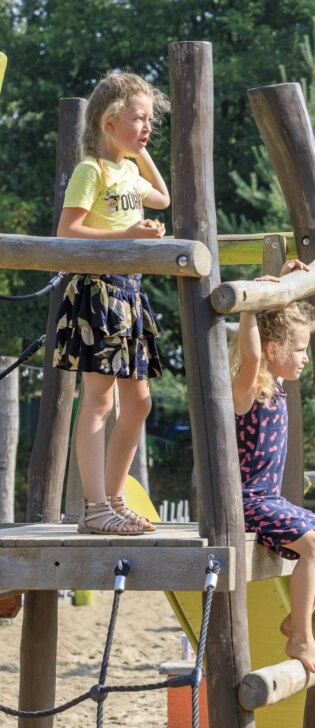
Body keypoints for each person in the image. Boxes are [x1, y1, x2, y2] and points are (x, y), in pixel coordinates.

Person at [54, 71, 170, 535]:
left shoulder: (129, 172)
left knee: (138, 404)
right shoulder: (92, 171)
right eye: (138, 119)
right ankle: (96, 507)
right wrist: (128, 235)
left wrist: (139, 152)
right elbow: (67, 232)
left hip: (130, 293)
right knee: (99, 402)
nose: (147, 127)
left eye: (150, 120)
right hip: (99, 293)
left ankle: (115, 500)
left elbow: (162, 198)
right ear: (108, 122)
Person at [231, 263, 315, 677]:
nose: (304, 358)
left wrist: (284, 285)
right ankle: (301, 635)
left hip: (271, 500)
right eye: (298, 350)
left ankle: (295, 620)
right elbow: (251, 351)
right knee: (314, 546)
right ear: (272, 350)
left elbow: (276, 319)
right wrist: (248, 306)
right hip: (247, 503)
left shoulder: (278, 385)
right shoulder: (249, 387)